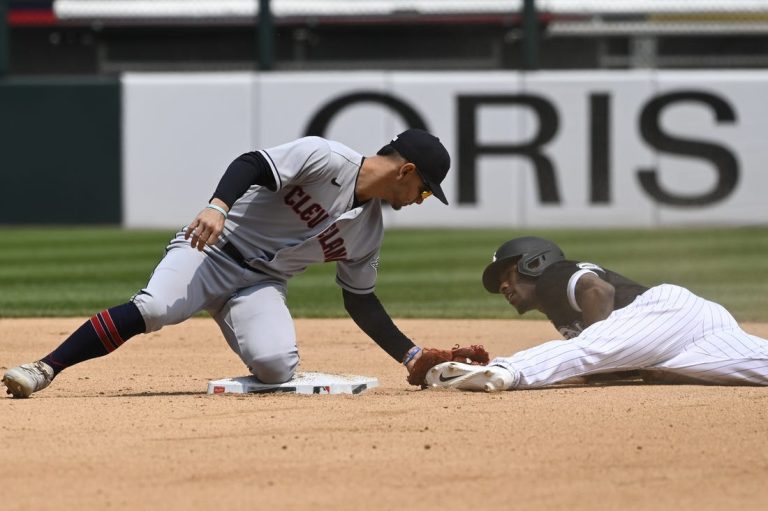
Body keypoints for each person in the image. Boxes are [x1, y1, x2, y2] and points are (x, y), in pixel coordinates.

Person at [3, 129, 449, 398]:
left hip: (260, 283)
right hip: (208, 252)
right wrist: (217, 205)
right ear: (406, 171)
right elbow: (253, 163)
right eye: (426, 190)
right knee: (155, 309)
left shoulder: (368, 232)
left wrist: (410, 356)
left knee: (275, 367)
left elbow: (361, 301)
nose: (421, 200)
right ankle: (44, 368)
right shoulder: (326, 156)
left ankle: (237, 319)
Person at [425, 236, 768, 391]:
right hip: (689, 330)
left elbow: (597, 289)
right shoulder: (556, 304)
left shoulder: (553, 275)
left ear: (533, 264)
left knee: (588, 350)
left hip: (666, 314)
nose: (503, 286)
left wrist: (600, 353)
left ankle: (503, 370)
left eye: (507, 274)